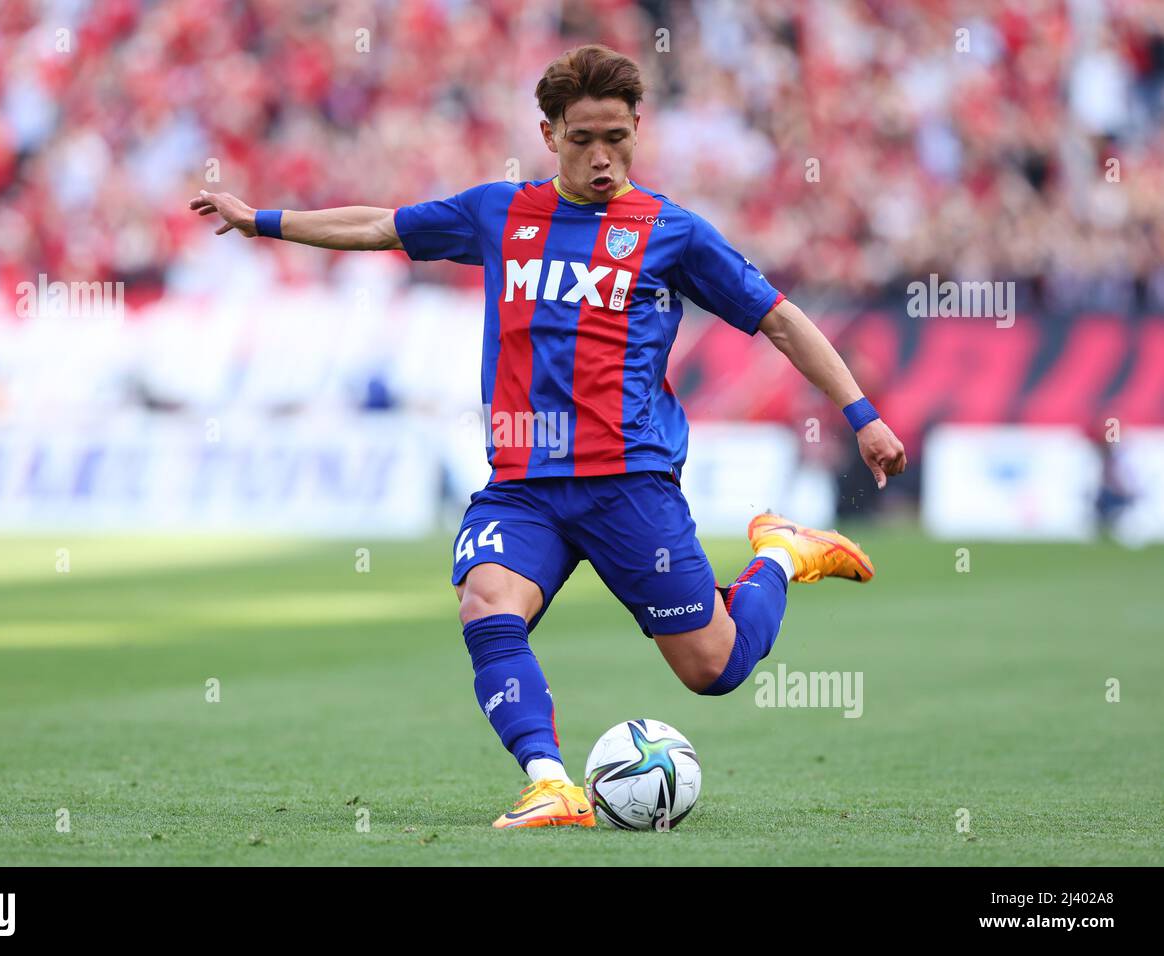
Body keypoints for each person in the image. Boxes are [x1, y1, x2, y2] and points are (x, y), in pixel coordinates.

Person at [190, 44, 907, 829]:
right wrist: (261, 221)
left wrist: (861, 414)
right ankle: (550, 783)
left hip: (629, 482)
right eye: (582, 141)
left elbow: (778, 318)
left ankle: (780, 552)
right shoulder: (498, 212)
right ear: (548, 134)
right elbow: (379, 225)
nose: (602, 159)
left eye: (617, 139)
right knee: (485, 601)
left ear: (638, 127)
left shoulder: (673, 233)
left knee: (715, 669)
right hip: (525, 483)